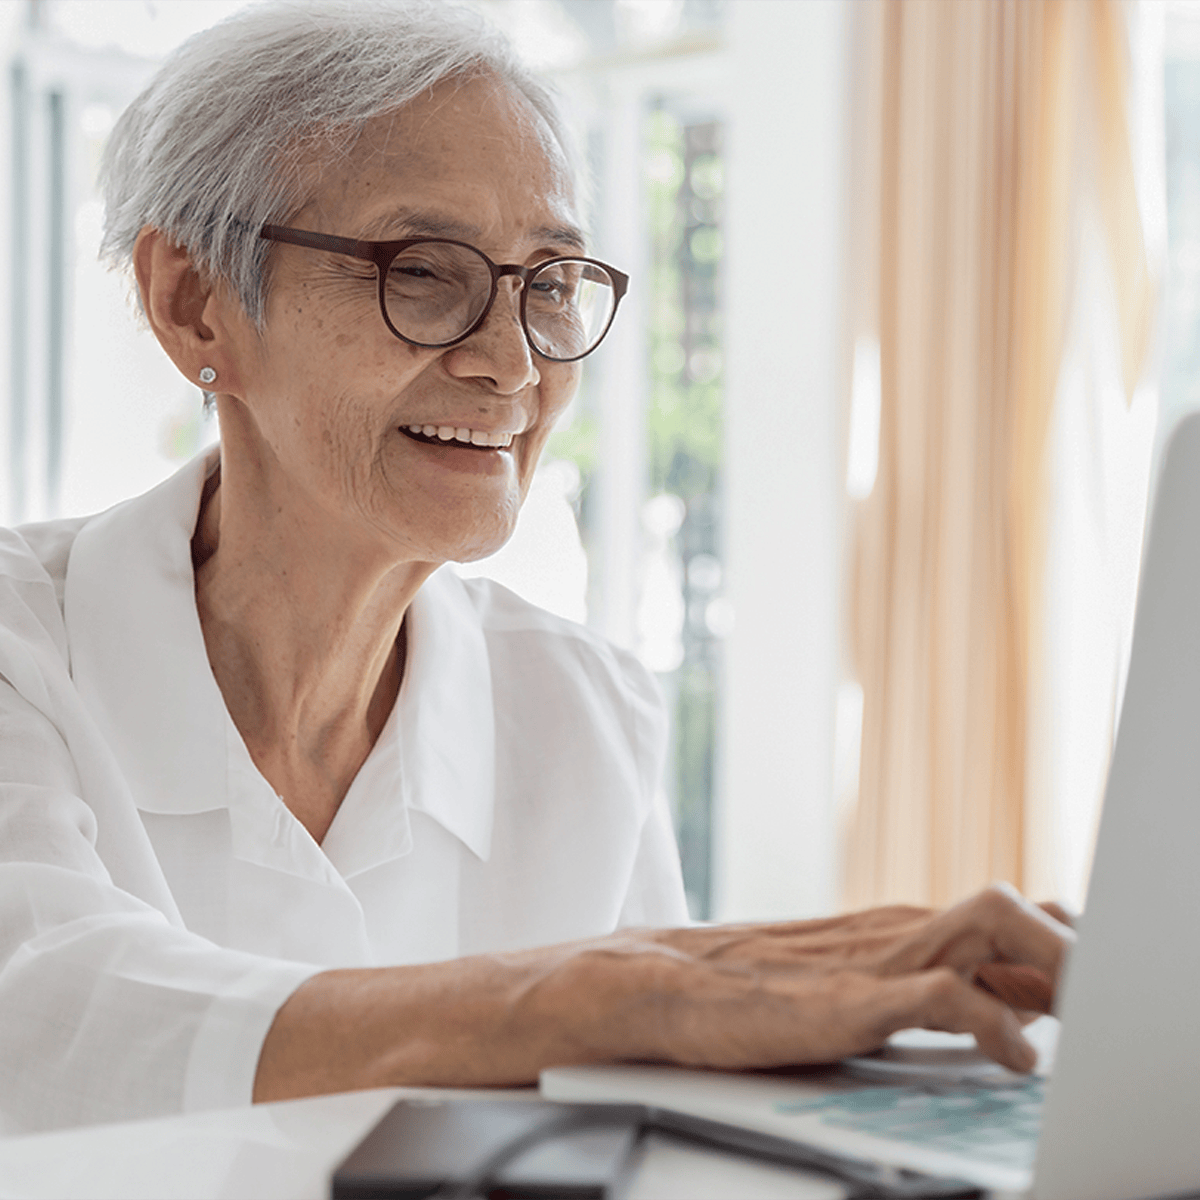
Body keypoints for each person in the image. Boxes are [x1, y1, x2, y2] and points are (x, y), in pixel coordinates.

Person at [0, 0, 1072, 1135]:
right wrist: (612, 995)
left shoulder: (583, 711)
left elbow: (641, 1122)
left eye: (550, 283)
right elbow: (50, 1016)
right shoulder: (28, 652)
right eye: (422, 272)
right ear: (195, 302)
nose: (511, 364)